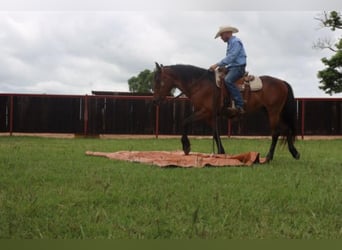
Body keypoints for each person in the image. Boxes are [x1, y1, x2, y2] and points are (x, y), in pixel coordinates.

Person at [209, 25, 247, 115]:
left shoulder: (236, 42)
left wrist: (217, 64)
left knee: (228, 80)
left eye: (221, 35)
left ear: (227, 33)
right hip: (232, 67)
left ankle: (240, 104)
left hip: (238, 67)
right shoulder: (231, 43)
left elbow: (232, 57)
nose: (221, 38)